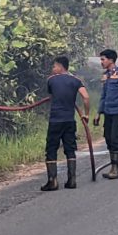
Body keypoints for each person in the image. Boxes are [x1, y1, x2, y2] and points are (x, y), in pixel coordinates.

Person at [41, 56, 90, 191]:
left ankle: (52, 181)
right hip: (70, 120)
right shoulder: (76, 81)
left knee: (51, 149)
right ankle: (72, 180)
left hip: (55, 120)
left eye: (54, 66)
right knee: (70, 149)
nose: (53, 69)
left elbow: (52, 95)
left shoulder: (51, 80)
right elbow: (85, 97)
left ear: (60, 66)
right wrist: (86, 114)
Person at [93, 49, 118, 180]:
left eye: (103, 59)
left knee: (116, 138)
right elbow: (103, 95)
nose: (101, 62)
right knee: (108, 138)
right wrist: (99, 112)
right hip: (108, 112)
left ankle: (116, 169)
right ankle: (112, 167)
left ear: (111, 60)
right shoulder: (106, 75)